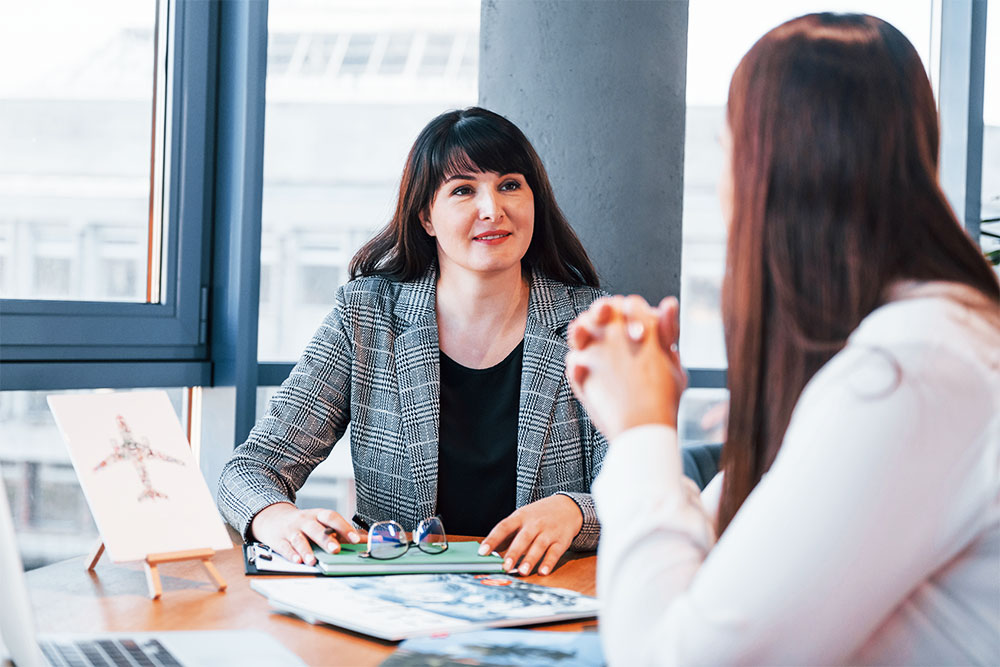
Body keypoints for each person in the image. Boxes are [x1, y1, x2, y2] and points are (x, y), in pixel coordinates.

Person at [566, 13, 1000, 665]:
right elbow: (736, 556)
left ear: (774, 173)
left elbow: (673, 656)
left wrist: (639, 430)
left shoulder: (910, 370)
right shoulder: (922, 342)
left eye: (726, 151)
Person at [218, 107, 608, 577]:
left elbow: (646, 486)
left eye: (510, 185)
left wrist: (575, 511)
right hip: (398, 594)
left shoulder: (595, 325)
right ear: (426, 217)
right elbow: (250, 468)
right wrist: (277, 517)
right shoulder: (366, 316)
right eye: (463, 190)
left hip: (551, 594)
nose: (492, 209)